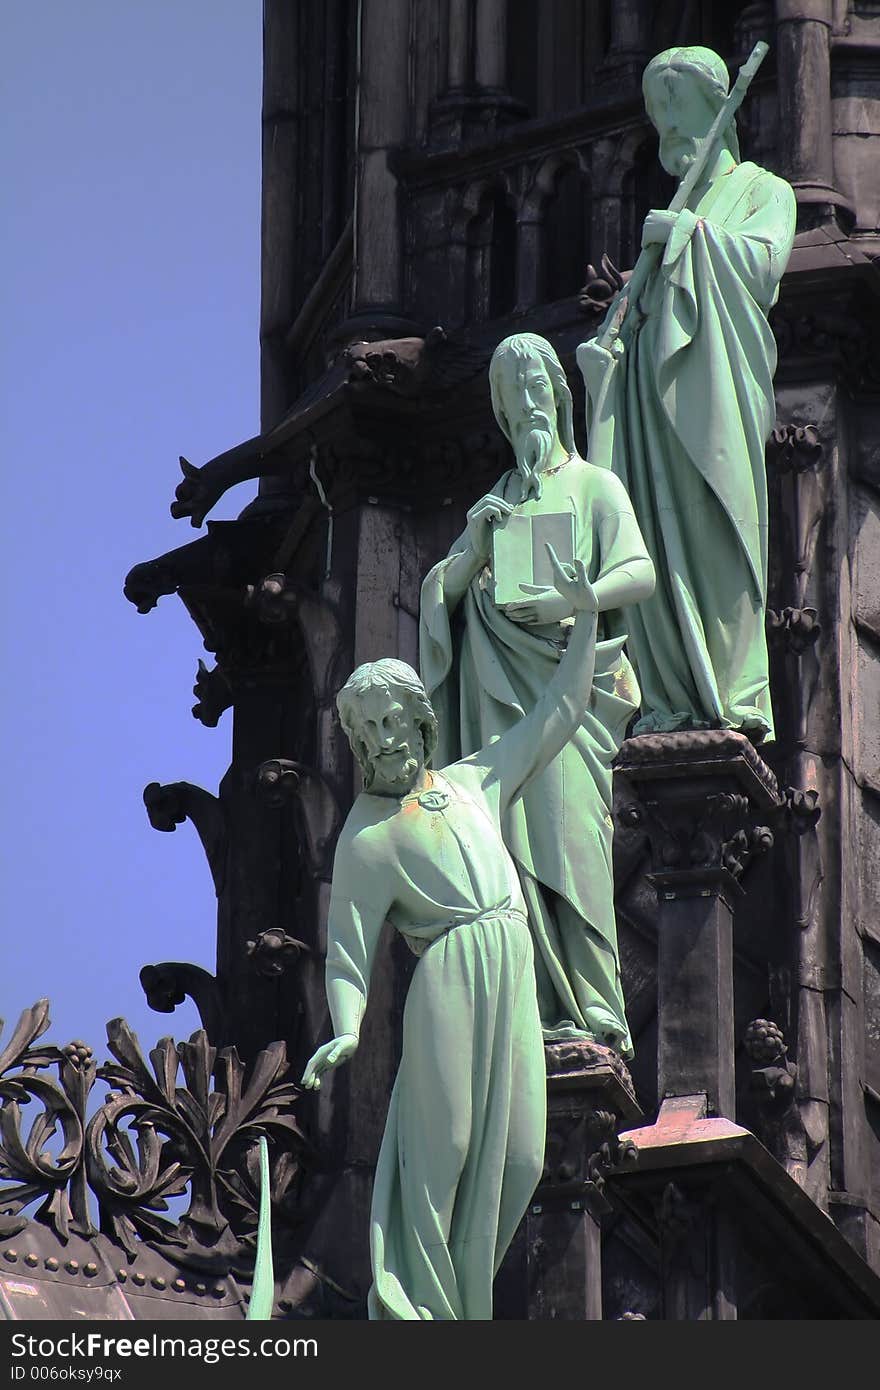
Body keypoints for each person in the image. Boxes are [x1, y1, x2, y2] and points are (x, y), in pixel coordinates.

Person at [301, 550, 605, 1320]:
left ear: (420, 722)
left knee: (524, 1156)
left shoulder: (473, 780)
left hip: (511, 961)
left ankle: (462, 1304)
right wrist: (345, 1030)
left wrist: (588, 616)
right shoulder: (367, 839)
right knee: (448, 1149)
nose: (385, 738)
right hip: (447, 974)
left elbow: (557, 715)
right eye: (368, 729)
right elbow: (347, 953)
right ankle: (418, 1308)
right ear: (358, 743)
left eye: (395, 720)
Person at [419, 332, 655, 1056]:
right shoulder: (494, 504)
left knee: (571, 846)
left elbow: (638, 572)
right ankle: (528, 1007)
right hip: (498, 705)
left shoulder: (593, 486)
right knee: (507, 854)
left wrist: (584, 599)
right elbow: (440, 595)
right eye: (509, 395)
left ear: (559, 391)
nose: (525, 407)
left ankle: (591, 1008)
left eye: (534, 388)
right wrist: (470, 550)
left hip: (571, 695)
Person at [577, 45, 796, 739]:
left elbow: (763, 267)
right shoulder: (663, 214)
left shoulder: (765, 190)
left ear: (718, 112)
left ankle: (729, 691)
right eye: (660, 124)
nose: (670, 136)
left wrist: (691, 236)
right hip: (653, 411)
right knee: (656, 537)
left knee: (714, 533)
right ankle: (671, 690)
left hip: (717, 398)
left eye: (681, 119)